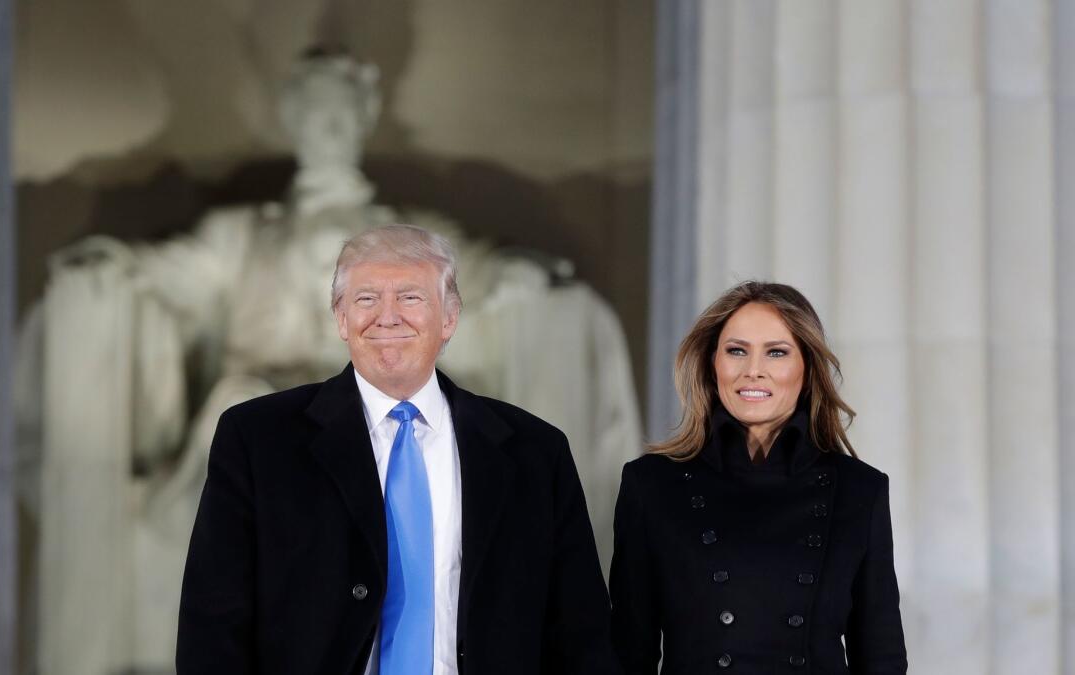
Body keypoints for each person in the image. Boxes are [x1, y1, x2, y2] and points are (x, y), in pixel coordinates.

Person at [176, 224, 619, 674]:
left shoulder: (535, 452)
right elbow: (212, 625)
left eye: (410, 297)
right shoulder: (257, 439)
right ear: (340, 318)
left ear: (449, 317)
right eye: (366, 299)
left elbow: (582, 633)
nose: (387, 317)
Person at [611, 281, 907, 673]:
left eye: (776, 353)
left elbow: (881, 658)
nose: (753, 371)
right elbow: (629, 652)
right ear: (711, 362)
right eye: (736, 351)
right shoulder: (651, 485)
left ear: (807, 368)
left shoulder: (859, 490)